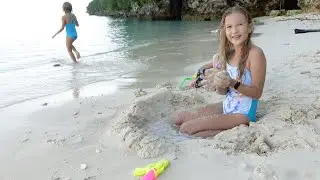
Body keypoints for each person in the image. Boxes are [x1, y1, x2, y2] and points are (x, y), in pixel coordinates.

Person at [174, 6, 267, 137]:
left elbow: (257, 93)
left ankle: (234, 129)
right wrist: (217, 82)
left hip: (243, 114)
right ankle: (222, 128)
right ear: (224, 30)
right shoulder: (228, 54)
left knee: (186, 129)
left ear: (250, 27)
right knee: (179, 118)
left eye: (240, 25)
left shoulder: (255, 54)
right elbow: (223, 92)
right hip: (227, 106)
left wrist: (232, 82)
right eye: (229, 27)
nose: (234, 31)